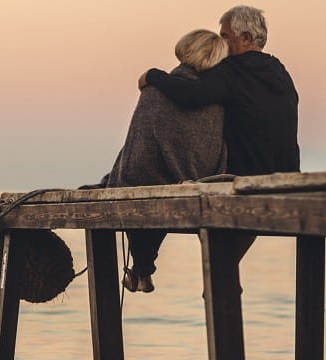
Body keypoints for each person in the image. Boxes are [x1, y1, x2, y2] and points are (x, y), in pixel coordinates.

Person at [129, 5, 300, 293]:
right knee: (224, 265)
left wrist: (153, 76)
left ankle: (198, 282)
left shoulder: (231, 70)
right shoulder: (280, 71)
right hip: (282, 180)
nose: (221, 42)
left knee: (163, 176)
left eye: (225, 35)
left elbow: (191, 94)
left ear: (245, 38)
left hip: (240, 180)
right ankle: (222, 285)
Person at [91, 29, 229, 293]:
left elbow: (138, 146)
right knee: (147, 184)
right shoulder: (215, 102)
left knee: (132, 182)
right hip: (196, 181)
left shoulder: (155, 92)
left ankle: (142, 270)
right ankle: (141, 271)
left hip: (150, 182)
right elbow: (213, 148)